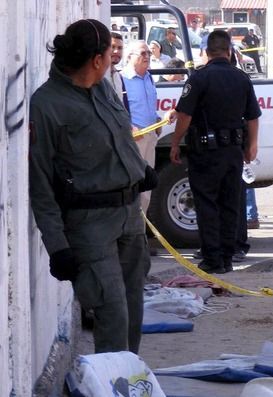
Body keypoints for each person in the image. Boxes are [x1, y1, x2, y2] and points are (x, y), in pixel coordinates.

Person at [29, 19, 156, 354]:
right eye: (108, 54)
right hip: (89, 225)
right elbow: (40, 183)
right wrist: (57, 246)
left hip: (129, 216)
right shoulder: (47, 104)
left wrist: (140, 170)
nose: (114, 58)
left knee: (131, 311)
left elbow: (119, 137)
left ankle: (127, 381)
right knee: (111, 312)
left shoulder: (102, 87)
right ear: (96, 60)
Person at [170, 30, 261, 274]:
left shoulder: (198, 78)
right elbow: (253, 116)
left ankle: (212, 259)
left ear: (206, 52)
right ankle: (227, 258)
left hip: (206, 153)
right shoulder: (242, 78)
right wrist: (252, 145)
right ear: (229, 51)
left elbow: (185, 116)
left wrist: (176, 142)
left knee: (207, 204)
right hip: (233, 152)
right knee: (230, 204)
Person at [122, 40, 162, 214]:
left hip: (150, 138)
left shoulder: (149, 77)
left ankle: (140, 229)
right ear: (130, 57)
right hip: (134, 141)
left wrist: (157, 119)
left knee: (147, 187)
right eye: (143, 53)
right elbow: (117, 110)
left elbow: (148, 104)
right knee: (132, 185)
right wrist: (129, 127)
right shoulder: (122, 79)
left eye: (148, 53)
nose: (147, 57)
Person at [107, 32, 127, 107]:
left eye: (120, 48)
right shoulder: (98, 76)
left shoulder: (118, 77)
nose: (116, 51)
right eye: (113, 47)